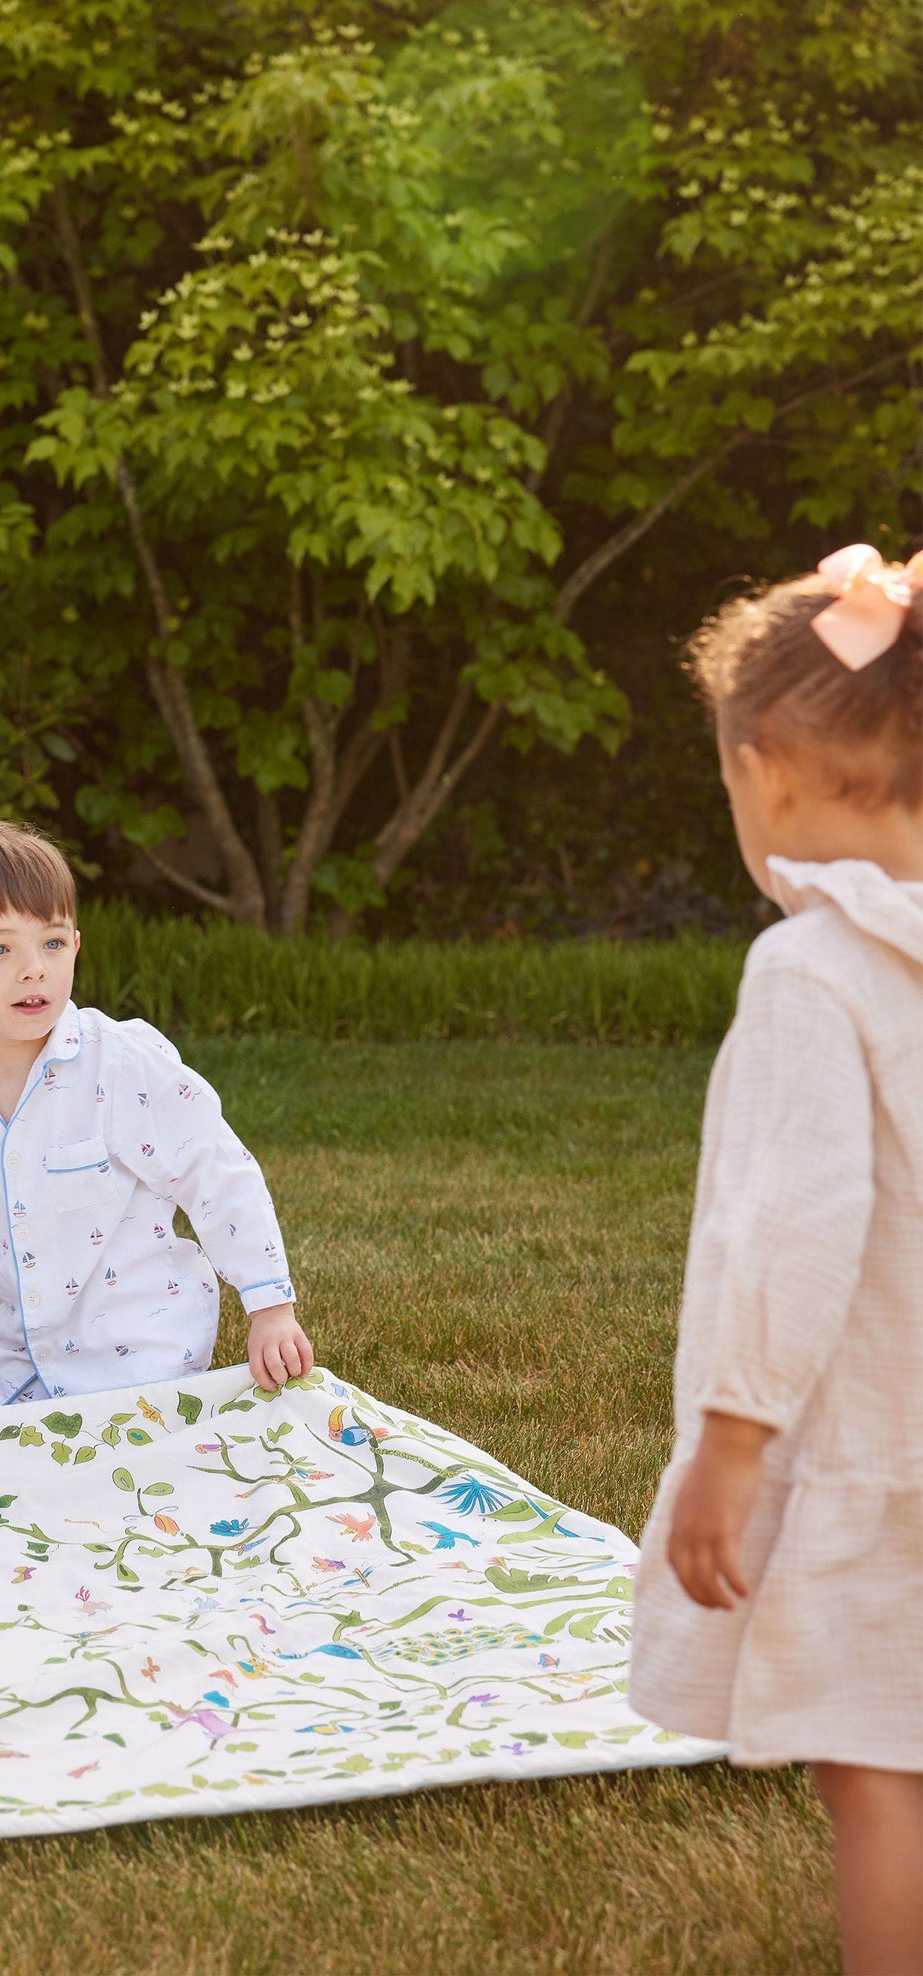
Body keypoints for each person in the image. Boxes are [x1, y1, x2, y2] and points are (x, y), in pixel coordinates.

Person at [630, 545, 923, 1974]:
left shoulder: (811, 973)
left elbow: (797, 1222)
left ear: (770, 774)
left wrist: (732, 1441)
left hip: (880, 1447)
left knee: (873, 1769)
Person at [0, 817, 312, 1459]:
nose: (33, 971)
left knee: (106, 1478)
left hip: (144, 1348)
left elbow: (216, 1170)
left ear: (75, 946)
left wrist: (269, 1305)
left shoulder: (122, 1064)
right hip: (17, 1346)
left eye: (51, 944)